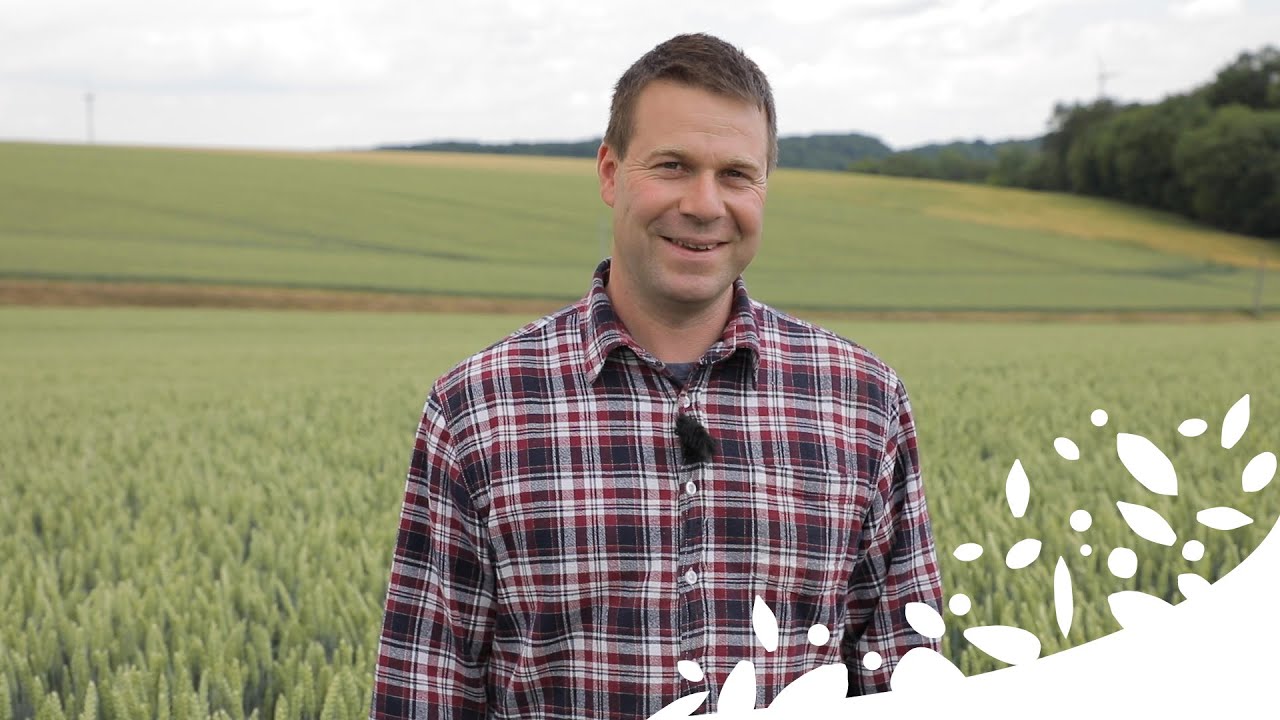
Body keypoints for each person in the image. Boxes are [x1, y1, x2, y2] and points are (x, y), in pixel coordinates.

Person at [369, 33, 943, 720]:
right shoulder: (478, 409)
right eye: (673, 166)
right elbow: (425, 694)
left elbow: (908, 682)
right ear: (611, 173)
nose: (704, 204)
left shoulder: (863, 401)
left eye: (736, 174)